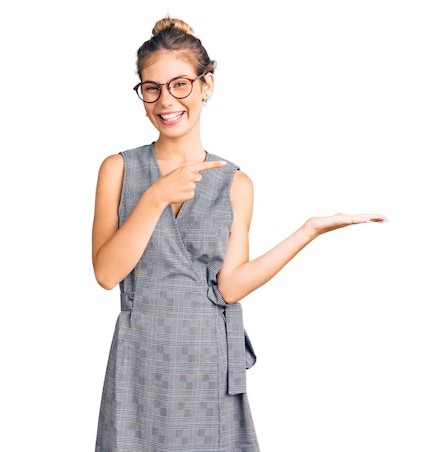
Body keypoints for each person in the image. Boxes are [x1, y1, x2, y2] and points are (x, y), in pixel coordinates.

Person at [92, 16, 387, 452]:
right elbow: (106, 273)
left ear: (205, 85)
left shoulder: (236, 182)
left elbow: (229, 286)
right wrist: (155, 197)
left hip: (205, 357)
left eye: (180, 84)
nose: (165, 100)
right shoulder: (118, 169)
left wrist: (308, 231)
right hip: (140, 356)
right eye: (150, 87)